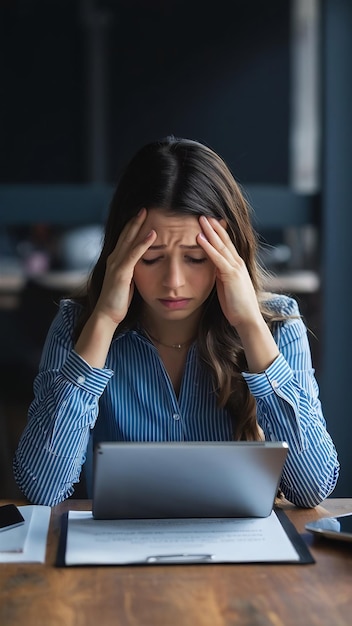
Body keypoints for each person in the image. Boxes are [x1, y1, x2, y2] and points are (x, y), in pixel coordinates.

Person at [13, 136, 339, 507]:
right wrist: (103, 319)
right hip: (112, 557)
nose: (174, 282)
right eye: (151, 258)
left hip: (239, 558)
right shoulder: (78, 325)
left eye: (196, 258)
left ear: (227, 255)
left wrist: (249, 324)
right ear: (120, 255)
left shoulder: (277, 326)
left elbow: (311, 489)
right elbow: (41, 489)